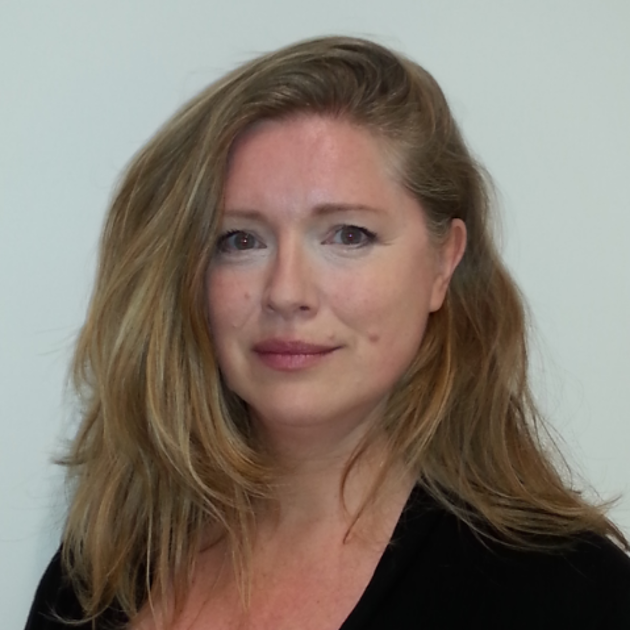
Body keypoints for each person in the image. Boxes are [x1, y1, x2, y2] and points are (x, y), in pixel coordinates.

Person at [25, 35, 630, 630]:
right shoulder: (99, 570)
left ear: (444, 262)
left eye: (348, 235)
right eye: (240, 240)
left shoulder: (574, 598)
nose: (287, 292)